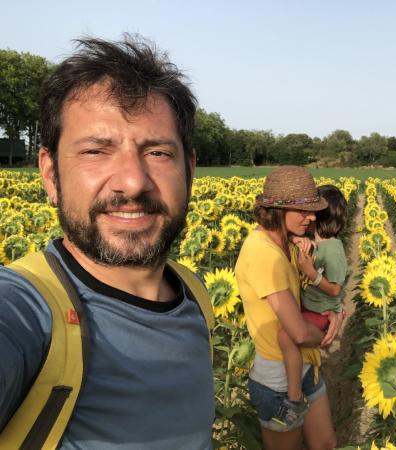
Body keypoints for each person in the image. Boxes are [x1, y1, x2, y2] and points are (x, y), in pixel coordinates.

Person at [0, 36, 214, 449]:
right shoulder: (27, 309)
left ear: (188, 168)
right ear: (49, 172)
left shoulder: (196, 295)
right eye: (96, 151)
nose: (132, 182)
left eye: (157, 153)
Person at [234, 166, 344, 450]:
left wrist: (329, 314)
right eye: (304, 211)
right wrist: (330, 331)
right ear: (278, 209)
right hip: (278, 381)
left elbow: (304, 297)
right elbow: (296, 331)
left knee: (325, 444)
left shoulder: (286, 244)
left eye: (313, 210)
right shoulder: (262, 254)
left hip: (304, 364)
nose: (312, 217)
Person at [279, 184, 349, 419]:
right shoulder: (316, 243)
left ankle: (294, 396)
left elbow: (336, 288)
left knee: (287, 336)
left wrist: (312, 274)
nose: (306, 216)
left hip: (319, 310)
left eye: (311, 211)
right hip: (311, 304)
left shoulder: (334, 249)